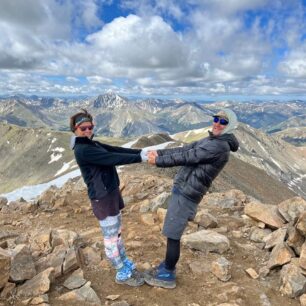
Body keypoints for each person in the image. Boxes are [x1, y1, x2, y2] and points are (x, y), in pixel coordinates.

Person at [144, 108, 239, 289]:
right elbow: (185, 148)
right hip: (185, 189)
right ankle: (167, 265)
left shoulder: (219, 146)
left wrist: (158, 161)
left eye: (223, 121)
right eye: (216, 119)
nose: (218, 123)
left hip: (187, 194)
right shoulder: (212, 139)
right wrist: (158, 153)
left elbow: (189, 156)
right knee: (172, 230)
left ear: (230, 126)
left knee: (173, 235)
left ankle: (167, 274)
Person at [69, 109, 147, 287]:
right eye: (84, 128)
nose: (88, 130)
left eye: (90, 127)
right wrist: (141, 159)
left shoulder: (92, 144)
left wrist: (141, 152)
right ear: (75, 129)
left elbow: (116, 149)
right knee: (111, 236)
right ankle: (120, 271)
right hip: (102, 197)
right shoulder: (83, 150)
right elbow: (112, 157)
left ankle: (124, 261)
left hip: (111, 192)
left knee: (117, 232)